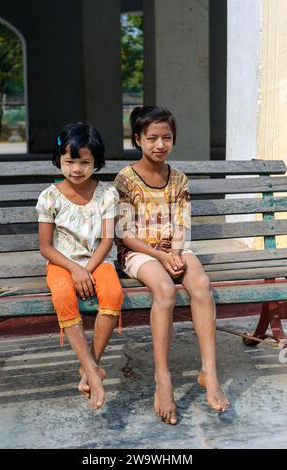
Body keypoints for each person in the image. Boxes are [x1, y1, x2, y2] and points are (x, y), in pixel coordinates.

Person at [114, 106, 228, 424]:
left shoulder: (178, 179)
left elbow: (181, 225)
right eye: (152, 138)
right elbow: (124, 235)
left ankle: (209, 371)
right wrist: (163, 257)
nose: (160, 144)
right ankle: (163, 378)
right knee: (164, 289)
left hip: (173, 249)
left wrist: (176, 252)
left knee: (201, 284)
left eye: (167, 137)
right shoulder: (126, 179)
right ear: (137, 139)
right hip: (138, 253)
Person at [36, 122, 124, 410]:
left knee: (113, 294)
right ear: (59, 160)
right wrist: (75, 268)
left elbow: (108, 240)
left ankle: (90, 367)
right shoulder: (50, 197)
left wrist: (87, 267)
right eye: (69, 161)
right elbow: (46, 247)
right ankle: (94, 374)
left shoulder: (107, 193)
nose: (76, 168)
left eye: (84, 162)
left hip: (98, 259)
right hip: (61, 262)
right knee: (63, 296)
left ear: (95, 162)